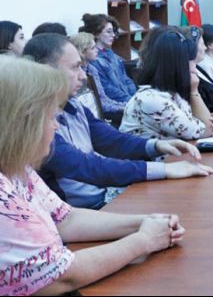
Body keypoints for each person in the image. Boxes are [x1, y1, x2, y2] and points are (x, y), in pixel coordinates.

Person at [0, 55, 187, 296]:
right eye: (49, 117)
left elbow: (66, 219)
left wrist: (145, 222)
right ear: (21, 123)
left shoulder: (18, 168)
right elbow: (59, 277)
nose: (55, 126)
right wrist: (145, 240)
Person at [23, 34, 213, 209]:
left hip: (103, 198)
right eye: (75, 67)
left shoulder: (73, 105)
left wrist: (156, 145)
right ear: (46, 72)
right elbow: (86, 166)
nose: (83, 76)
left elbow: (112, 140)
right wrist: (164, 169)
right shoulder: (34, 123)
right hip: (83, 211)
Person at [120, 31, 213, 140]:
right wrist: (193, 91)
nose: (195, 68)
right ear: (177, 66)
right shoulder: (153, 100)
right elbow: (206, 130)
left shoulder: (172, 93)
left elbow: (206, 126)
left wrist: (194, 92)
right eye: (191, 61)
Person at [70, 32, 128, 123]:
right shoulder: (76, 74)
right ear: (82, 51)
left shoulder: (92, 69)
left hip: (100, 110)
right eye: (93, 48)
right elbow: (98, 104)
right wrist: (122, 108)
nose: (97, 50)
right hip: (89, 116)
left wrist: (125, 106)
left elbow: (103, 98)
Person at [80, 13, 137, 103]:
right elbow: (108, 89)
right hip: (117, 104)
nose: (113, 35)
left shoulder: (112, 54)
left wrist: (135, 97)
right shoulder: (93, 60)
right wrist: (131, 101)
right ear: (97, 34)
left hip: (129, 101)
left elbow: (126, 79)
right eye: (109, 32)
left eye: (113, 31)